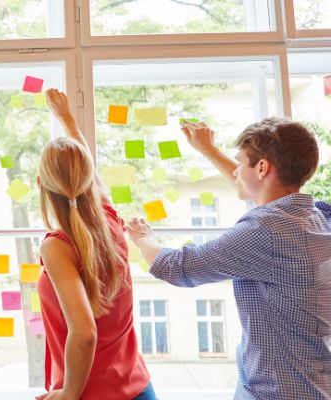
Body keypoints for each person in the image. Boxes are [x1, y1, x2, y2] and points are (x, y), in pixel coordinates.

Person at [127, 118, 331, 399]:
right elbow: (258, 192)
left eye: (240, 162)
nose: (235, 171)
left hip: (276, 391)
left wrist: (141, 237)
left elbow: (174, 267)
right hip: (313, 383)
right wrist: (208, 150)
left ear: (262, 167)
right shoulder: (317, 217)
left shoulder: (264, 231)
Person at [35, 89, 154, 400]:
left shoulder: (57, 247)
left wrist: (68, 395)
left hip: (90, 394)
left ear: (40, 184)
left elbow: (85, 333)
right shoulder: (111, 220)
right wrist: (67, 120)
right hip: (138, 388)